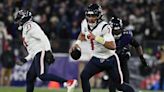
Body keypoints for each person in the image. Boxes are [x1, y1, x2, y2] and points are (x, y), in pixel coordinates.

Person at [70, 3, 135, 92]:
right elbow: (82, 34)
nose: (91, 18)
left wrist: (96, 38)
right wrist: (77, 43)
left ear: (99, 16)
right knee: (84, 76)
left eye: (93, 15)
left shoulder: (104, 26)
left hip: (110, 59)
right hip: (96, 58)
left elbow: (113, 46)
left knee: (120, 85)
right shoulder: (84, 23)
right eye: (89, 15)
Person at [14, 10, 77, 92]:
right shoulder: (26, 28)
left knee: (42, 76)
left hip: (41, 52)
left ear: (24, 18)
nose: (18, 21)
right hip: (37, 53)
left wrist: (48, 51)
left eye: (19, 19)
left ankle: (69, 82)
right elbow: (33, 48)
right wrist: (26, 59)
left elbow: (43, 37)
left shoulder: (30, 26)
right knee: (30, 76)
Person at [108, 17, 149, 92]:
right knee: (113, 86)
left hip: (122, 60)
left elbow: (137, 45)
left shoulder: (126, 35)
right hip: (112, 62)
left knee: (124, 84)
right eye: (115, 30)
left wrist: (142, 58)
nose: (117, 32)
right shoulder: (105, 35)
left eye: (118, 30)